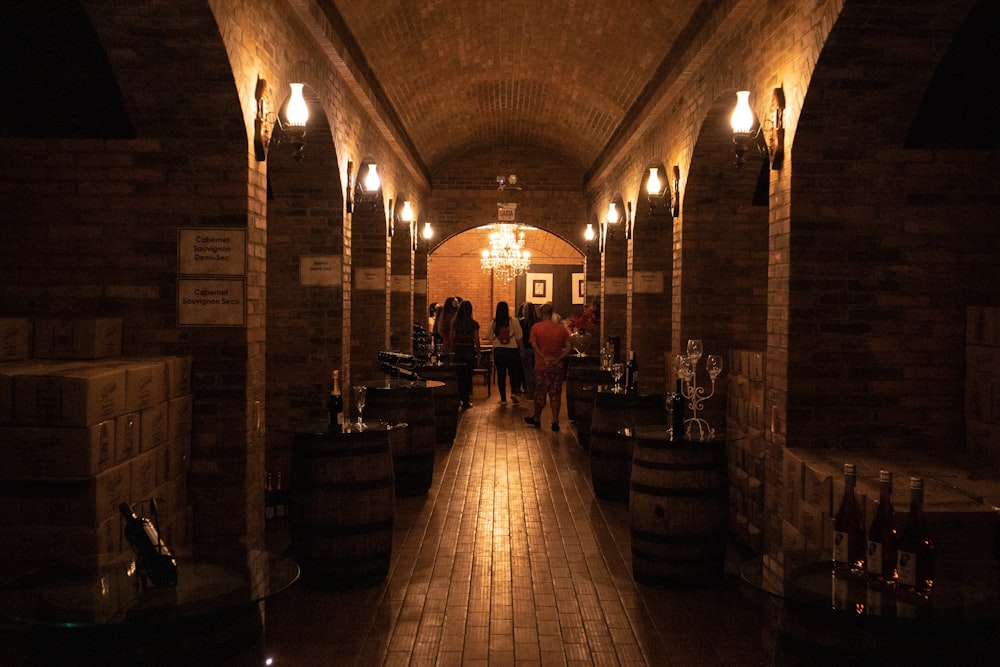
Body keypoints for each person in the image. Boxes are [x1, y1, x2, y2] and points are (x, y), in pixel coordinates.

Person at [524, 302, 571, 431]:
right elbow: (568, 347)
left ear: (541, 313)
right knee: (555, 393)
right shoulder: (561, 329)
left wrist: (543, 356)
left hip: (541, 365)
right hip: (557, 366)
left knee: (540, 392)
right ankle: (555, 421)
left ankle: (537, 418)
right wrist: (558, 358)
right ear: (552, 313)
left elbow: (533, 344)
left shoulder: (536, 327)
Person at [489, 301, 523, 404]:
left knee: (501, 374)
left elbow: (489, 336)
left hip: (499, 350)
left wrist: (497, 337)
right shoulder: (514, 321)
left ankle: (503, 398)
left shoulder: (494, 322)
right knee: (513, 373)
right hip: (512, 349)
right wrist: (521, 349)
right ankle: (513, 393)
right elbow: (519, 336)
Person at [450, 299, 480, 409]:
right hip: (469, 352)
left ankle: (458, 400)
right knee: (467, 377)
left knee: (458, 376)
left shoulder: (455, 322)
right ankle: (466, 400)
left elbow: (452, 337)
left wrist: (452, 350)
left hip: (458, 351)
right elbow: (476, 340)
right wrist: (479, 353)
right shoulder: (473, 324)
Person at [517, 302, 539, 397]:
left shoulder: (521, 322)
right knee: (537, 371)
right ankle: (537, 391)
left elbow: (519, 337)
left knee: (528, 372)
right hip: (537, 350)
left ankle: (530, 392)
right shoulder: (538, 322)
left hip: (525, 349)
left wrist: (521, 349)